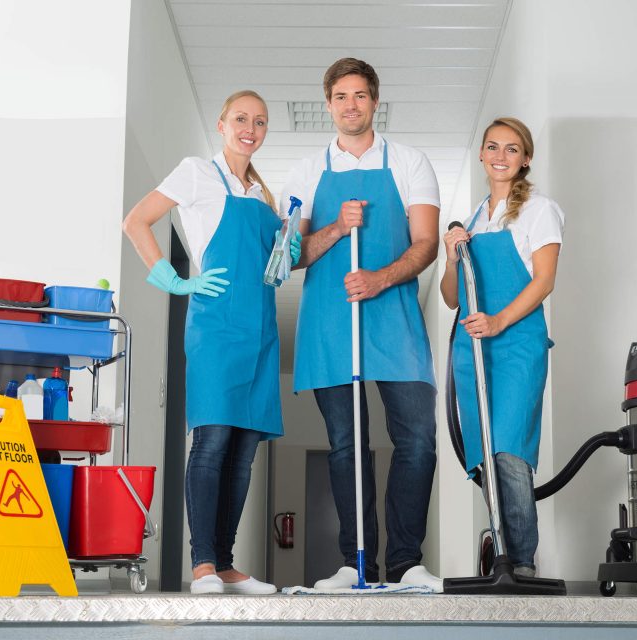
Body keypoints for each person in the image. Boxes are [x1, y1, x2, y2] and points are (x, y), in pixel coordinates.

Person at [123, 90, 299, 595]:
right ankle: (202, 565)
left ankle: (225, 563)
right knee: (214, 439)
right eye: (241, 118)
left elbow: (278, 263)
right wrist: (174, 281)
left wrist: (291, 248)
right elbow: (136, 221)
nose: (251, 128)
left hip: (261, 329)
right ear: (222, 124)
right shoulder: (197, 172)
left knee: (244, 450)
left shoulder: (264, 196)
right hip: (217, 326)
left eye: (260, 122)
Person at [283, 58, 441, 590]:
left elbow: (425, 245)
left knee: (417, 439)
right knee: (347, 446)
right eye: (341, 96)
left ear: (375, 102)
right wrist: (336, 226)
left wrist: (380, 279)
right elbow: (292, 256)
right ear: (328, 104)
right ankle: (356, 564)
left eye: (360, 95)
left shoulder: (411, 162)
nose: (351, 105)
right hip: (331, 320)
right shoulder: (306, 170)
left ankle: (404, 562)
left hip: (393, 313)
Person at [440, 117, 564, 578]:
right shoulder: (471, 218)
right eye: (493, 147)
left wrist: (499, 321)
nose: (500, 156)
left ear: (525, 158)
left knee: (510, 451)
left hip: (515, 345)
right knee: (484, 456)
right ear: (481, 154)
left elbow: (544, 280)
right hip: (472, 352)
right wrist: (451, 256)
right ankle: (501, 547)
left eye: (512, 149)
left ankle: (522, 564)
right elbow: (451, 296)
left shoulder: (539, 209)